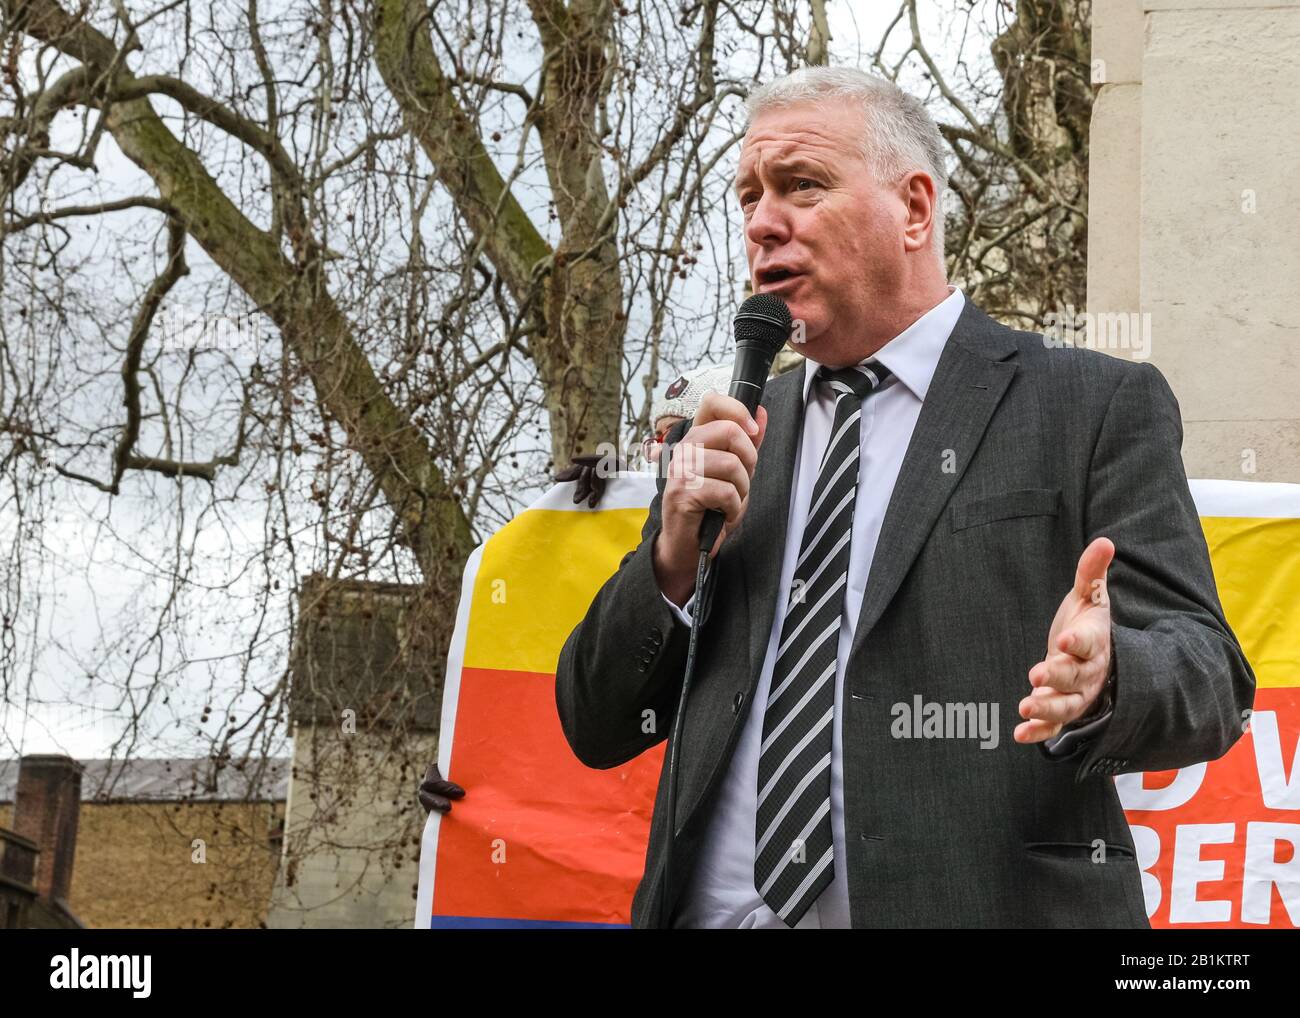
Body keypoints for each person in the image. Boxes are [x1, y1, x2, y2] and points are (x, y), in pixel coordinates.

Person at [554, 66, 1255, 928]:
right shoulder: (731, 436)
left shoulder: (1089, 405)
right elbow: (595, 724)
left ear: (915, 207)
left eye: (800, 186)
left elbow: (1212, 678)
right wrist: (669, 560)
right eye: (747, 198)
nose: (762, 222)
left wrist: (1109, 676)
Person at [417, 364, 738, 815]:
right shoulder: (633, 545)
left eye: (673, 440)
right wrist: (477, 774)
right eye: (654, 441)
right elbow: (575, 707)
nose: (654, 458)